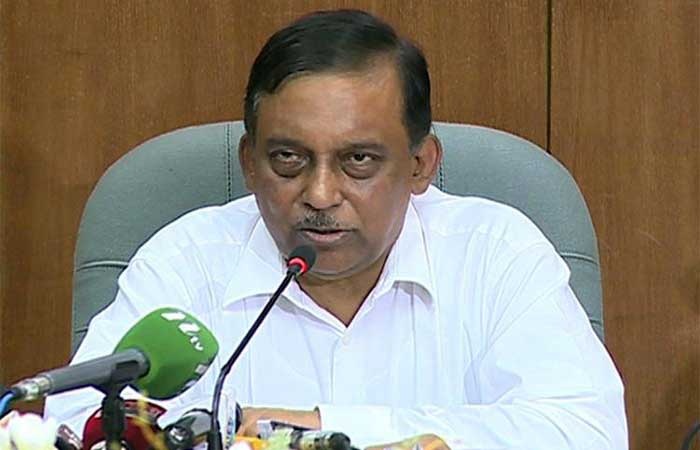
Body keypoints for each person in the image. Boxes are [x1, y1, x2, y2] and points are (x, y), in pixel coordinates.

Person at [45, 9, 628, 449]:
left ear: (421, 165)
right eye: (288, 160)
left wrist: (319, 429)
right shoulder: (186, 260)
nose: (320, 195)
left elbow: (587, 432)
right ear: (249, 163)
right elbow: (78, 424)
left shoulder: (495, 253)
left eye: (358, 161)